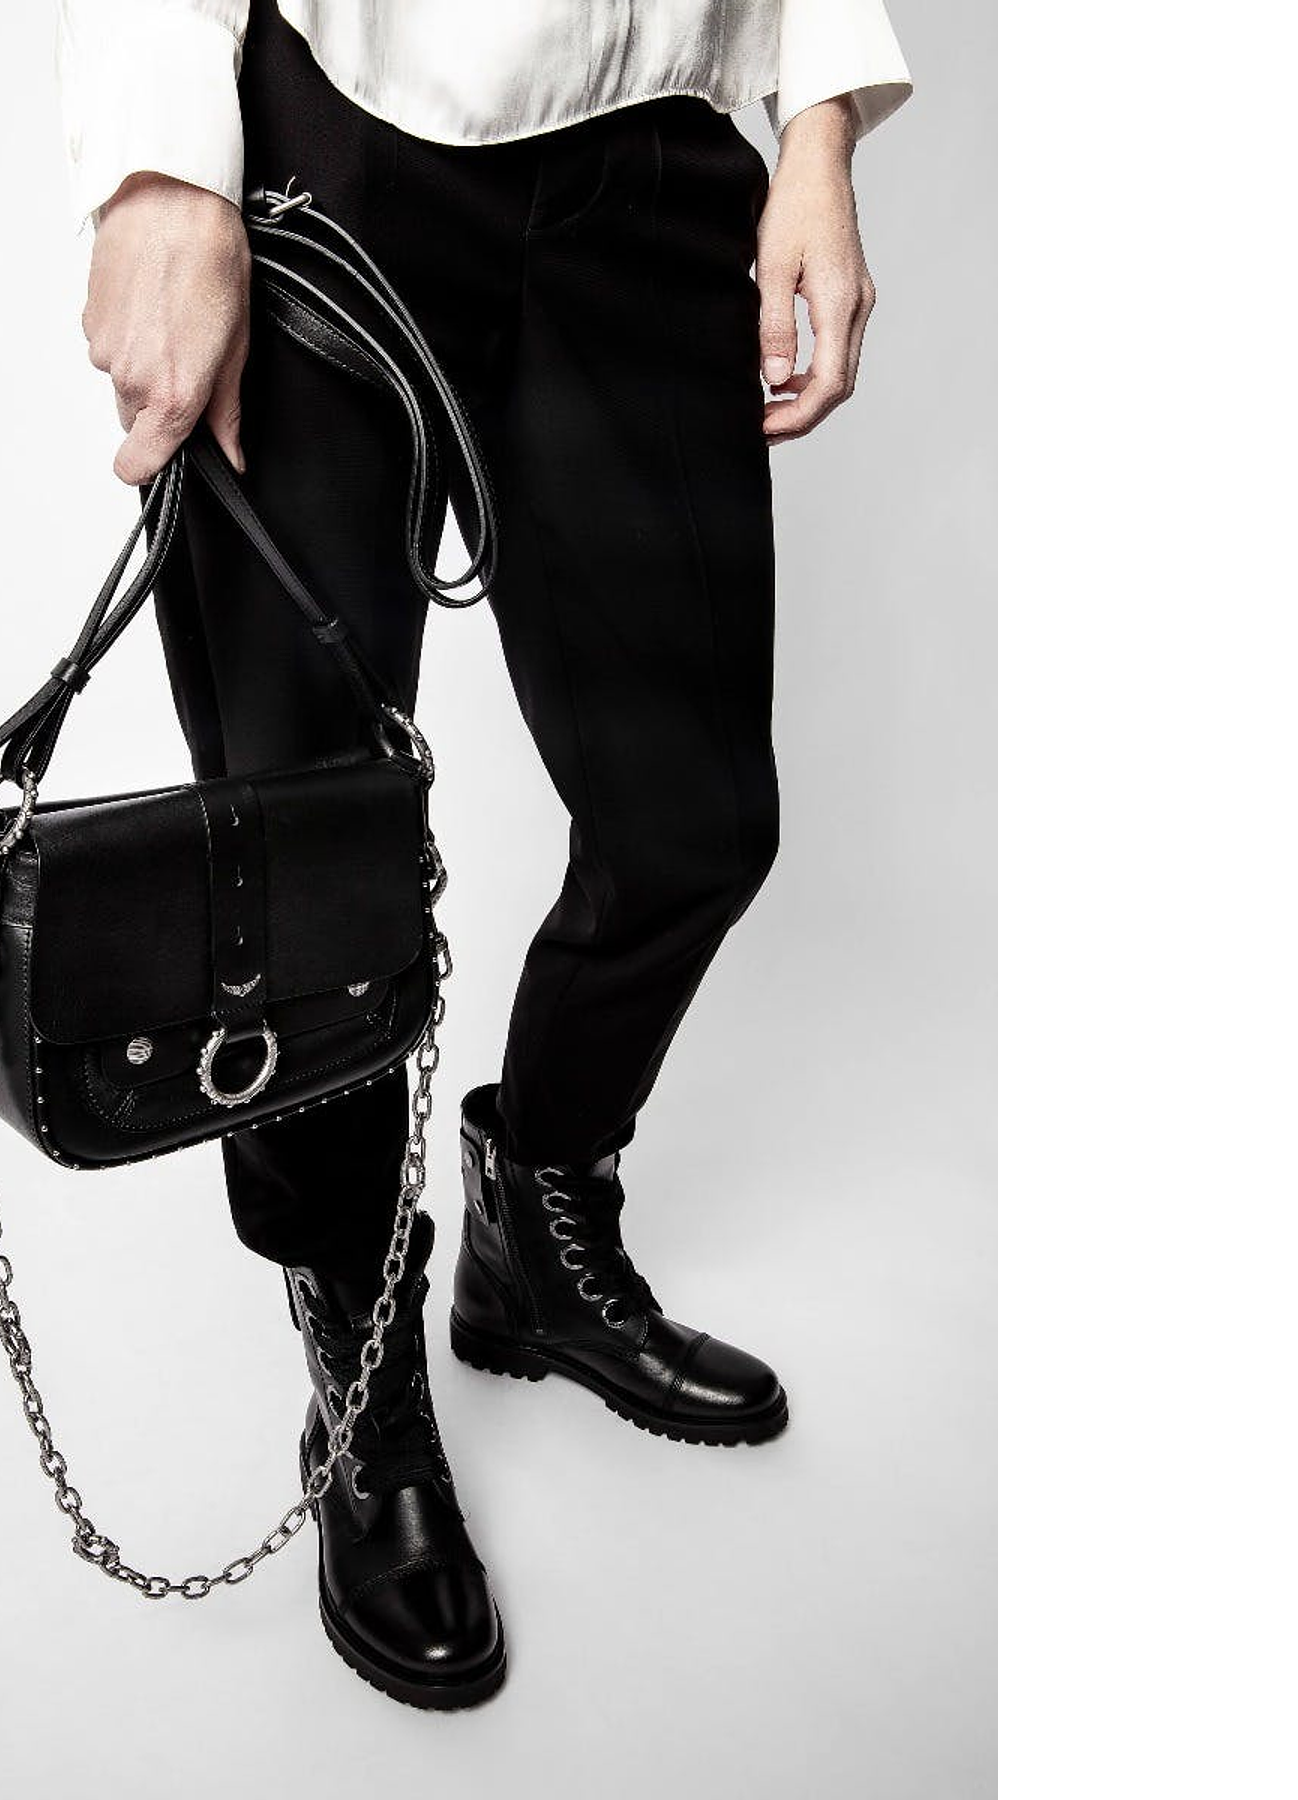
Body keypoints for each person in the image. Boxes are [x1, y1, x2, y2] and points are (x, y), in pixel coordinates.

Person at [56, 0, 911, 1710]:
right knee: (304, 856)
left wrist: (816, 123)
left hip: (650, 155)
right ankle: (363, 1367)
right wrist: (161, 170)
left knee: (694, 819)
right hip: (331, 151)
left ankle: (537, 1221)